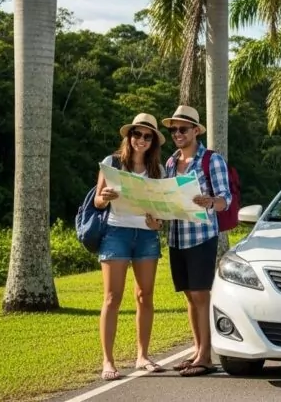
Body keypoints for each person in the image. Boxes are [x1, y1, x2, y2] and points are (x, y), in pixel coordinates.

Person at [93, 113, 167, 381]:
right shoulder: (111, 163)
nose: (141, 140)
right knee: (112, 297)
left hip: (147, 235)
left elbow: (162, 212)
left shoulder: (157, 170)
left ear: (153, 142)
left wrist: (156, 222)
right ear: (129, 136)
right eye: (137, 134)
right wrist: (105, 197)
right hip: (116, 232)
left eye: (148, 136)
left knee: (145, 296)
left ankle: (142, 356)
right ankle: (108, 361)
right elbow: (98, 202)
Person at [162, 105, 231, 377]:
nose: (177, 134)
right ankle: (196, 351)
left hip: (201, 235)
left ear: (195, 131)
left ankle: (206, 357)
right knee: (190, 297)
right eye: (173, 130)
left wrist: (210, 201)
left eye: (183, 129)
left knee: (201, 295)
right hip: (177, 237)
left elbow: (226, 200)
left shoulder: (211, 160)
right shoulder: (170, 163)